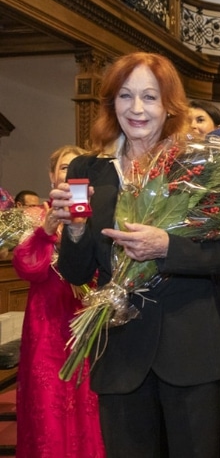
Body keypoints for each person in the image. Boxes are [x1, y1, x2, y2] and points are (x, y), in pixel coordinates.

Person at [50, 52, 220, 458]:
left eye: (149, 97)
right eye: (125, 96)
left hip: (190, 349)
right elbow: (77, 271)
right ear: (111, 102)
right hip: (119, 352)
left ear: (169, 105)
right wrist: (75, 231)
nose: (136, 109)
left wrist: (167, 247)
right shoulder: (88, 169)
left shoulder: (197, 166)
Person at [13, 144, 105, 458]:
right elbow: (28, 268)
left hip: (88, 324)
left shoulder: (100, 214)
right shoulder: (35, 216)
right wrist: (47, 229)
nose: (70, 172)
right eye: (64, 167)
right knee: (48, 408)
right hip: (47, 325)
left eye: (76, 167)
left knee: (91, 403)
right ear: (52, 176)